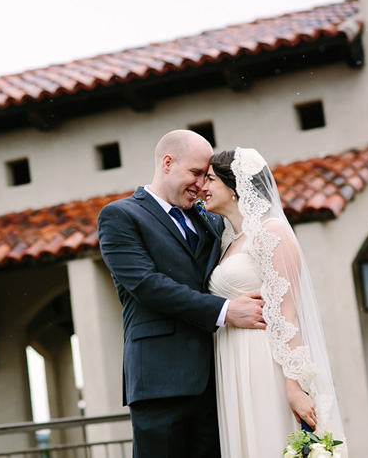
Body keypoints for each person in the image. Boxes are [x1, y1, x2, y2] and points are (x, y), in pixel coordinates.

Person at [97, 130, 265, 457]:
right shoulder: (120, 216)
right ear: (167, 162)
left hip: (216, 378)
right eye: (196, 173)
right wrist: (225, 311)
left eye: (207, 176)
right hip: (161, 380)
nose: (202, 184)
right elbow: (147, 285)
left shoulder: (210, 222)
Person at [203, 147, 347, 457]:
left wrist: (294, 386)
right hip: (230, 358)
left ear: (235, 186)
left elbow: (288, 313)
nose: (203, 187)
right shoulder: (228, 241)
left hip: (263, 359)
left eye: (210, 179)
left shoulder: (273, 232)